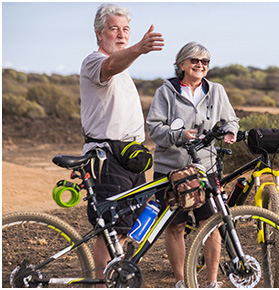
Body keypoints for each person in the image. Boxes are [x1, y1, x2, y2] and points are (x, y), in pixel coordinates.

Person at [79, 3, 164, 286]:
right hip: (106, 158)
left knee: (126, 226)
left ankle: (113, 279)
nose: (121, 34)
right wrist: (139, 48)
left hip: (130, 158)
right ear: (99, 34)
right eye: (114, 29)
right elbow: (110, 65)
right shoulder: (93, 61)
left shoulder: (125, 71)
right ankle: (103, 283)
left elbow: (119, 64)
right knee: (109, 229)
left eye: (126, 29)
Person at [146, 42, 239, 288]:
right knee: (175, 227)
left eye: (205, 62)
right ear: (181, 64)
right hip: (171, 170)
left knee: (211, 226)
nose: (200, 65)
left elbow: (231, 119)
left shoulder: (216, 90)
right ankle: (181, 280)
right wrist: (180, 136)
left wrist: (230, 130)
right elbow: (154, 129)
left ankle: (211, 282)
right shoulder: (165, 92)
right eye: (194, 61)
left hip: (205, 169)